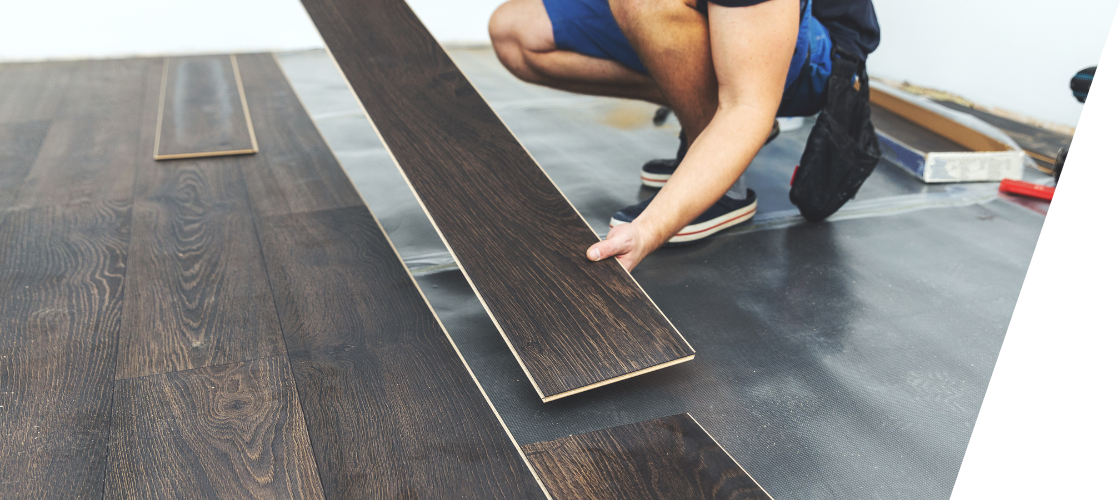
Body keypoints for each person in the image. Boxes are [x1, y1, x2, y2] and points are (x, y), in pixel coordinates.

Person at [489, 0, 879, 270]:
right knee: (516, 32)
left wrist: (648, 230)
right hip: (729, 20)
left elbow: (749, 106)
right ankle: (712, 133)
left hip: (820, 56)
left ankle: (726, 183)